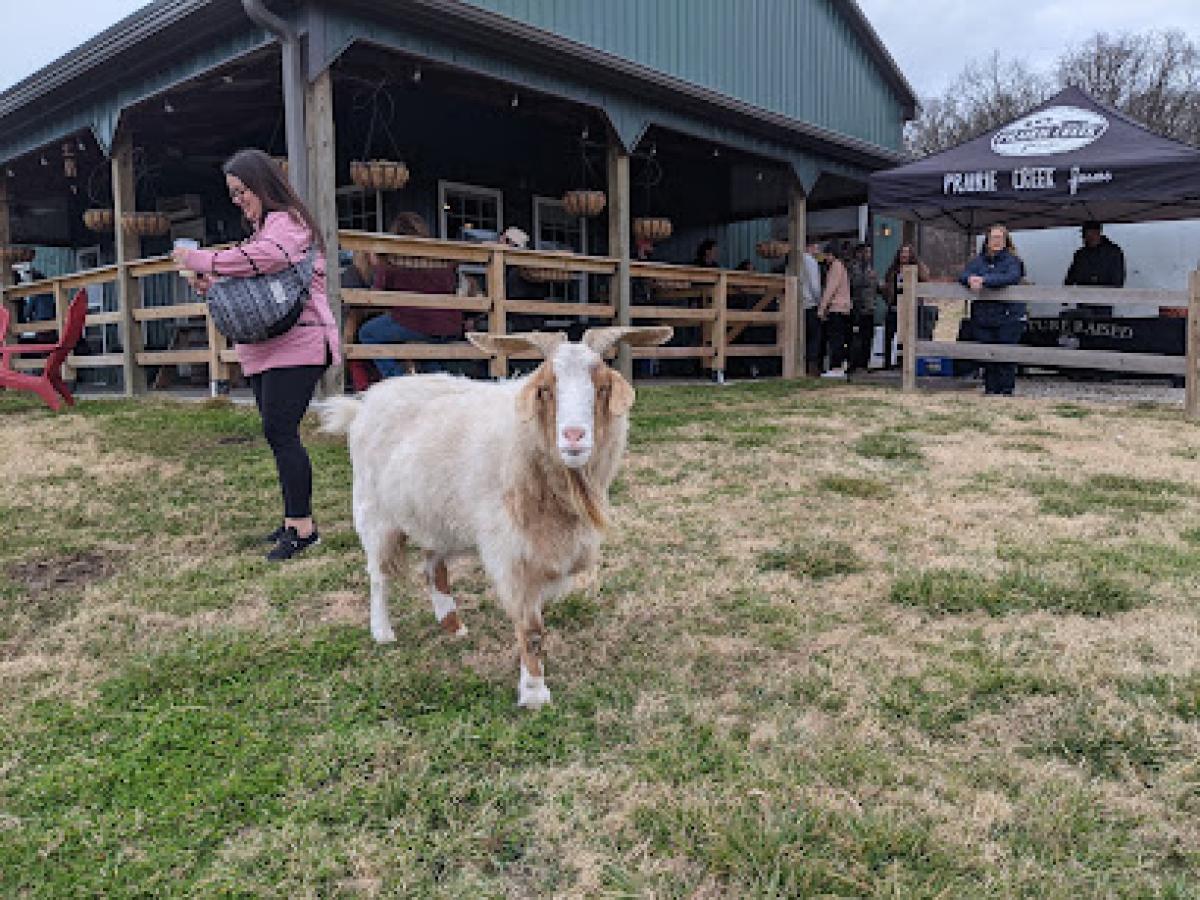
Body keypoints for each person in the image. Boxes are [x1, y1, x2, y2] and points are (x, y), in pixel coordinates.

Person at [173, 148, 340, 561]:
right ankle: (293, 519)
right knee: (277, 432)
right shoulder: (264, 230)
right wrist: (212, 283)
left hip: (299, 342)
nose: (238, 200)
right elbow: (256, 278)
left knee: (281, 431)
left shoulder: (288, 224)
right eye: (232, 193)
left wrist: (201, 258)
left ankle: (302, 528)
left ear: (263, 185)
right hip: (268, 345)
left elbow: (267, 258)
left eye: (242, 191)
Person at [357, 212, 459, 378]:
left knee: (367, 333)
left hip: (414, 322)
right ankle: (440, 382)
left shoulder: (391, 259)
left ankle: (397, 378)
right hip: (449, 325)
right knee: (424, 348)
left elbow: (378, 296)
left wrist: (377, 265)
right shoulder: (442, 257)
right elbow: (454, 286)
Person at [960, 223, 1024, 396]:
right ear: (987, 240)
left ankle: (1006, 390)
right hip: (983, 315)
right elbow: (964, 274)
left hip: (1007, 314)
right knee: (987, 354)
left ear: (1006, 240)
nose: (996, 241)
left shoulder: (1013, 261)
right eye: (993, 237)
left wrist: (984, 280)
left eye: (1000, 238)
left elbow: (1011, 277)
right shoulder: (978, 261)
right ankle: (990, 389)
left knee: (1005, 354)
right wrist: (970, 279)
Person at [882, 244, 931, 370]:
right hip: (894, 305)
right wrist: (887, 296)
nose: (904, 255)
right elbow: (887, 285)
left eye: (907, 252)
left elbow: (925, 279)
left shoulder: (917, 269)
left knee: (906, 336)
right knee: (889, 334)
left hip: (909, 307)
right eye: (902, 252)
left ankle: (903, 363)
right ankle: (887, 363)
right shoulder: (893, 270)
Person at [817, 241, 852, 378]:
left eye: (827, 255)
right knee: (839, 338)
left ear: (831, 254)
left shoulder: (836, 266)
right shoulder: (841, 266)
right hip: (843, 308)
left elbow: (830, 288)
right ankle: (838, 366)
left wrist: (822, 307)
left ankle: (836, 367)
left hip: (837, 307)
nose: (826, 258)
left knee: (835, 339)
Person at [1065, 221, 1125, 288]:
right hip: (1083, 293)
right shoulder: (1080, 255)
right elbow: (1069, 280)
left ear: (1099, 233)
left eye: (1092, 234)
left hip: (1107, 293)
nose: (1089, 238)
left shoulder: (1114, 253)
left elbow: (1117, 282)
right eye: (1086, 235)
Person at [847, 243, 878, 373]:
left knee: (868, 337)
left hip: (869, 307)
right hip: (857, 308)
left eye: (869, 252)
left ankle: (865, 363)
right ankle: (854, 363)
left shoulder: (870, 268)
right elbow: (856, 283)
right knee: (856, 338)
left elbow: (875, 286)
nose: (868, 255)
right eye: (866, 252)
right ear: (859, 253)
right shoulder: (853, 268)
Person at [800, 241, 823, 376]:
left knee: (802, 335)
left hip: (798, 303)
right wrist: (820, 302)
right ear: (809, 247)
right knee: (814, 336)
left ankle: (800, 364)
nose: (818, 250)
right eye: (816, 247)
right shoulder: (811, 262)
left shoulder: (795, 261)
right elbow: (815, 285)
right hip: (810, 303)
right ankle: (811, 366)